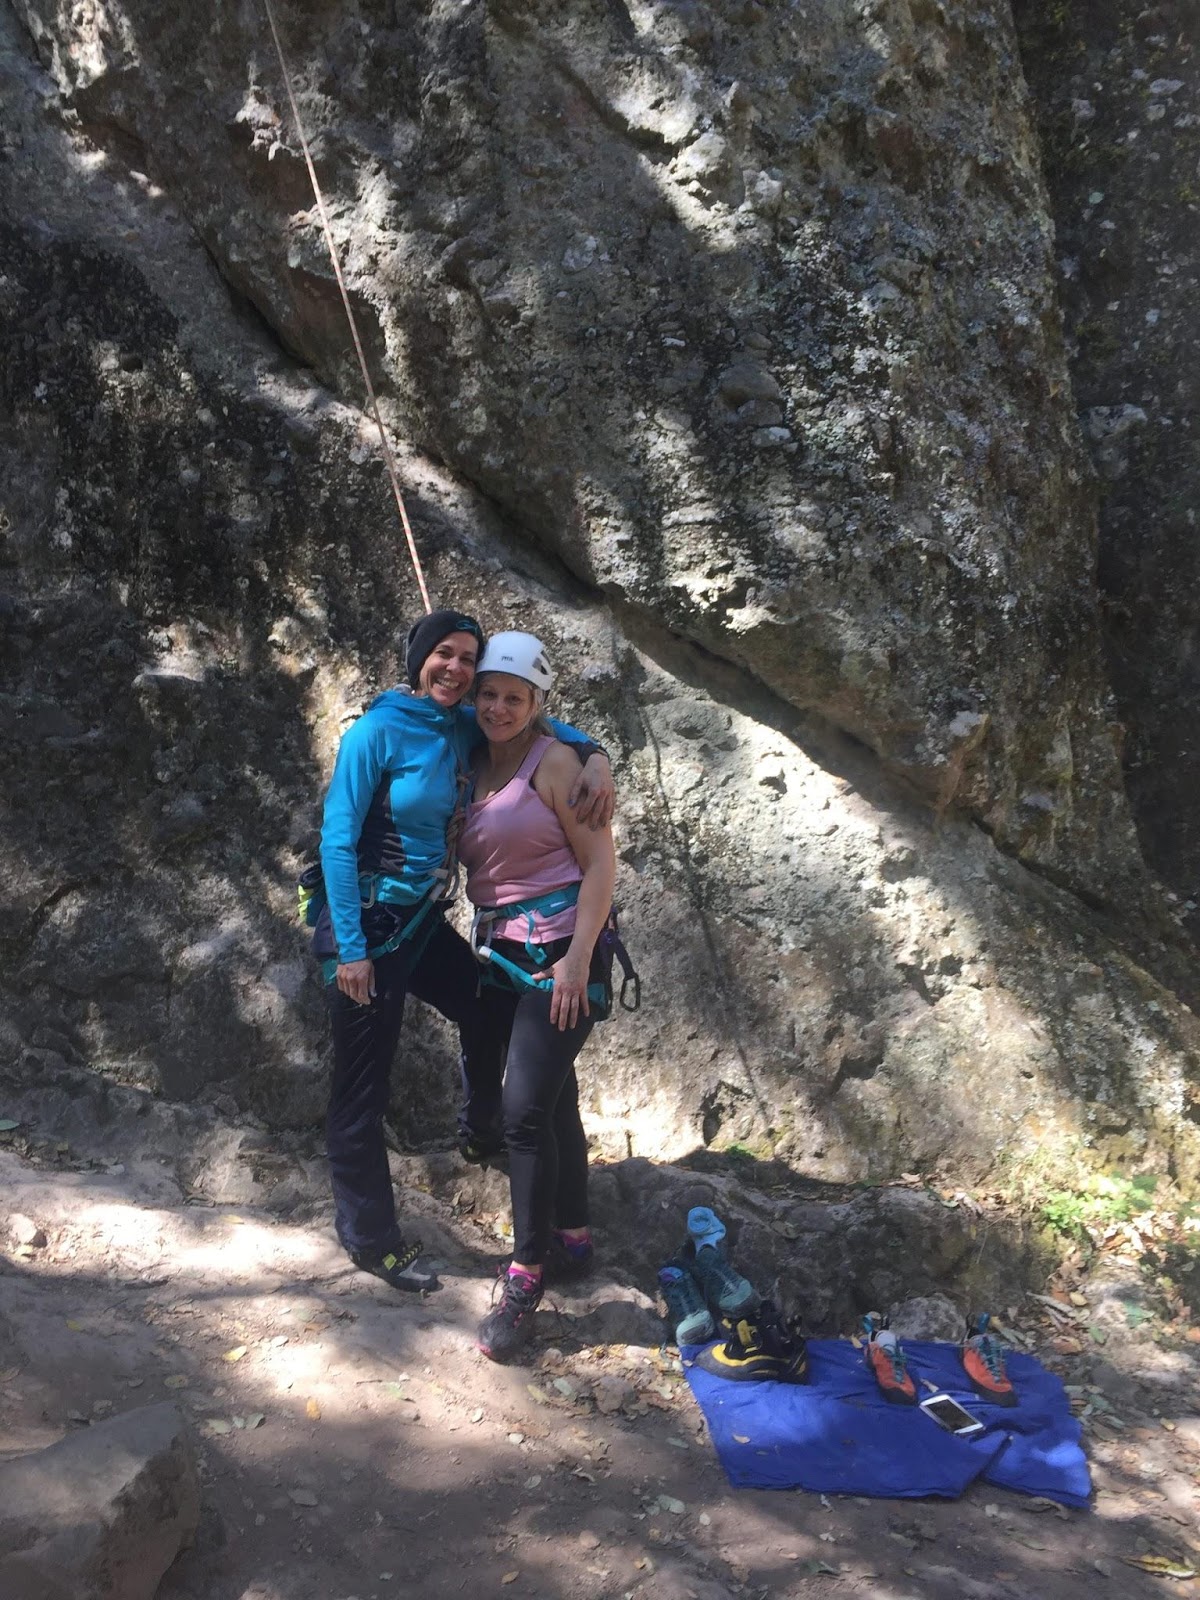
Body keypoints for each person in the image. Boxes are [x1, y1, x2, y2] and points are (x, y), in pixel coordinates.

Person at [315, 610, 613, 1294]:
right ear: (419, 659)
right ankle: (371, 1240)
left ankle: (482, 1129)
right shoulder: (375, 732)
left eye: (466, 660)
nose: (454, 668)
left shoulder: (463, 725)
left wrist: (596, 756)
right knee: (363, 1086)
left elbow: (539, 723)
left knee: (485, 1009)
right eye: (442, 654)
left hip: (419, 922)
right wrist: (353, 950)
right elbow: (336, 839)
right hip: (366, 927)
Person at [456, 632, 617, 1361]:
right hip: (501, 955)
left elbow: (600, 865)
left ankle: (526, 1275)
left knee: (521, 1112)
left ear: (536, 703)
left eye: (513, 698)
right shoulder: (469, 755)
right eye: (488, 694)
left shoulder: (555, 764)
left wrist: (578, 961)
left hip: (560, 955)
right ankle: (573, 1235)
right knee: (554, 1101)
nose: (498, 707)